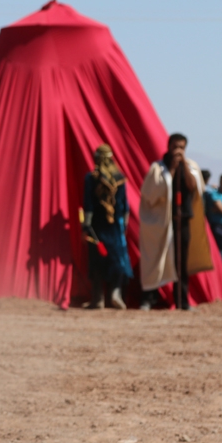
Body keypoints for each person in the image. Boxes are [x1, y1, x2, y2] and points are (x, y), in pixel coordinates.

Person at [139, 133, 206, 310]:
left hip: (182, 219)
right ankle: (149, 298)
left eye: (182, 148)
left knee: (181, 262)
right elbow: (151, 195)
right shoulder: (158, 168)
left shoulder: (190, 167)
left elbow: (195, 189)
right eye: (175, 147)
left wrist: (182, 165)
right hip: (161, 222)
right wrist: (172, 171)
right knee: (156, 259)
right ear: (168, 147)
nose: (178, 151)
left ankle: (182, 300)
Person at [82, 144, 132, 309]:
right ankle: (115, 294)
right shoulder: (120, 179)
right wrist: (123, 225)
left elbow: (88, 205)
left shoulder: (91, 178)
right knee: (117, 259)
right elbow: (125, 206)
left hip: (97, 226)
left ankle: (98, 298)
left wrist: (86, 226)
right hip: (116, 227)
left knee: (97, 260)